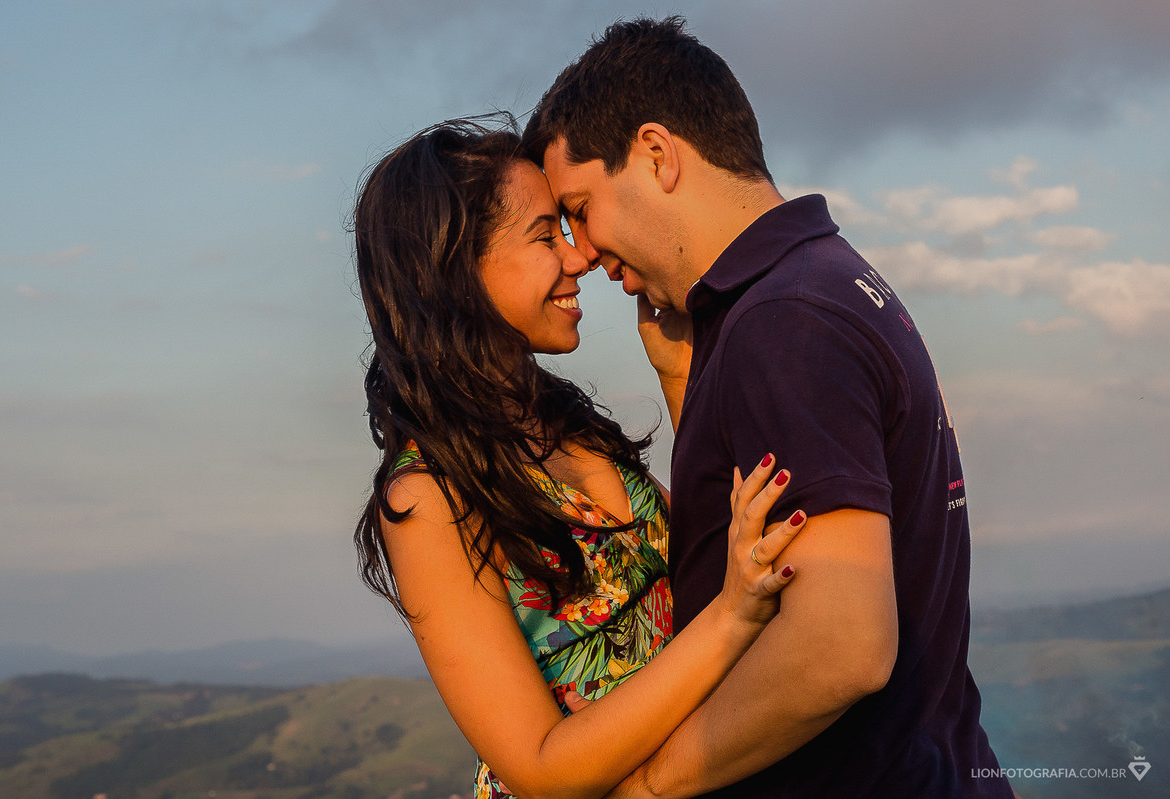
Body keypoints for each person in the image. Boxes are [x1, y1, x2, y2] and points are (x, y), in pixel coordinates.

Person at [522, 16, 1013, 799]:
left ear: (656, 154)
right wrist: (684, 378)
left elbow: (842, 643)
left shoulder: (784, 322)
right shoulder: (825, 280)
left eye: (580, 207)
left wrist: (650, 786)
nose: (580, 251)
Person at [352, 118, 810, 799]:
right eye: (546, 236)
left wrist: (677, 376)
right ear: (456, 271)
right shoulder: (428, 498)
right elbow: (540, 766)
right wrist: (729, 621)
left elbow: (703, 558)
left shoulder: (569, 426)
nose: (580, 257)